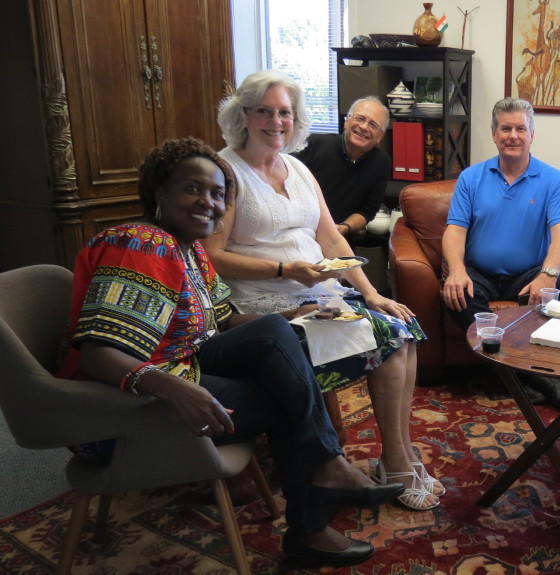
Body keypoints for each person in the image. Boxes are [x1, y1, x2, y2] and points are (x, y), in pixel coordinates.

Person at [55, 137, 405, 566]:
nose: (208, 202)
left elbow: (224, 322)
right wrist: (171, 388)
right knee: (283, 395)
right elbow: (96, 356)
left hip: (181, 370)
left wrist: (301, 311)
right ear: (159, 191)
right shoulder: (141, 244)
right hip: (119, 413)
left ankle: (324, 478)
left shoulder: (191, 252)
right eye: (192, 189)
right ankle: (313, 514)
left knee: (276, 332)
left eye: (218, 193)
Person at [202, 70, 442, 512]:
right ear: (244, 115)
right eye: (265, 112)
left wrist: (372, 293)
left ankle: (397, 455)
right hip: (264, 306)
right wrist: (283, 268)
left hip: (319, 290)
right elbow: (211, 254)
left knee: (398, 326)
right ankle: (394, 462)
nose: (276, 122)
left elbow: (332, 239)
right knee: (387, 340)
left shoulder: (297, 167)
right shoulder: (225, 171)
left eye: (285, 113)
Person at [441, 97, 560, 407]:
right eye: (505, 128)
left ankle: (509, 374)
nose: (512, 135)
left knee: (555, 288)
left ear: (531, 135)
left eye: (520, 128)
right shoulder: (471, 178)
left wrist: (548, 274)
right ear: (493, 134)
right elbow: (455, 230)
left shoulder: (554, 180)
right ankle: (528, 377)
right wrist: (457, 270)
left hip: (526, 275)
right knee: (455, 292)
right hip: (479, 274)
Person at [292, 96, 391, 238]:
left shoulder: (381, 162)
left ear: (380, 136)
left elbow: (367, 211)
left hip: (339, 235)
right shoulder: (312, 144)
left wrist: (344, 227)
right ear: (346, 122)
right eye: (360, 119)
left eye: (373, 125)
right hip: (299, 230)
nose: (364, 127)